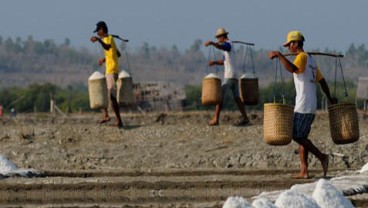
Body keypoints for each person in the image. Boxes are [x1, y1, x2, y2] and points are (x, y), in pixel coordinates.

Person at [268, 31, 337, 179]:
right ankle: (304, 171)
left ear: (296, 43)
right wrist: (329, 97)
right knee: (302, 136)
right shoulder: (310, 60)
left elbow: (293, 69)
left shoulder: (302, 57)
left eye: (289, 45)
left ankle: (322, 157)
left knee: (297, 135)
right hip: (309, 104)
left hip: (304, 104)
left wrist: (280, 55)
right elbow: (322, 81)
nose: (288, 49)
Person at [204, 28, 249, 126]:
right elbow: (224, 61)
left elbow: (222, 47)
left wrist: (212, 43)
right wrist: (215, 62)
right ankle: (245, 118)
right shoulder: (228, 48)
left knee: (220, 97)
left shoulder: (228, 44)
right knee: (237, 98)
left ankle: (215, 119)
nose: (218, 39)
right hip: (234, 76)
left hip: (229, 76)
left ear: (222, 37)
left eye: (218, 38)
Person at [90, 21, 123, 128]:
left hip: (112, 70)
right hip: (109, 69)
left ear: (102, 30)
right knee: (104, 92)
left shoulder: (108, 39)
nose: (97, 34)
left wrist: (99, 40)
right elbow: (117, 53)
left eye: (98, 32)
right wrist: (104, 59)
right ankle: (107, 115)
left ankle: (118, 121)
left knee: (112, 96)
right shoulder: (108, 39)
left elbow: (108, 47)